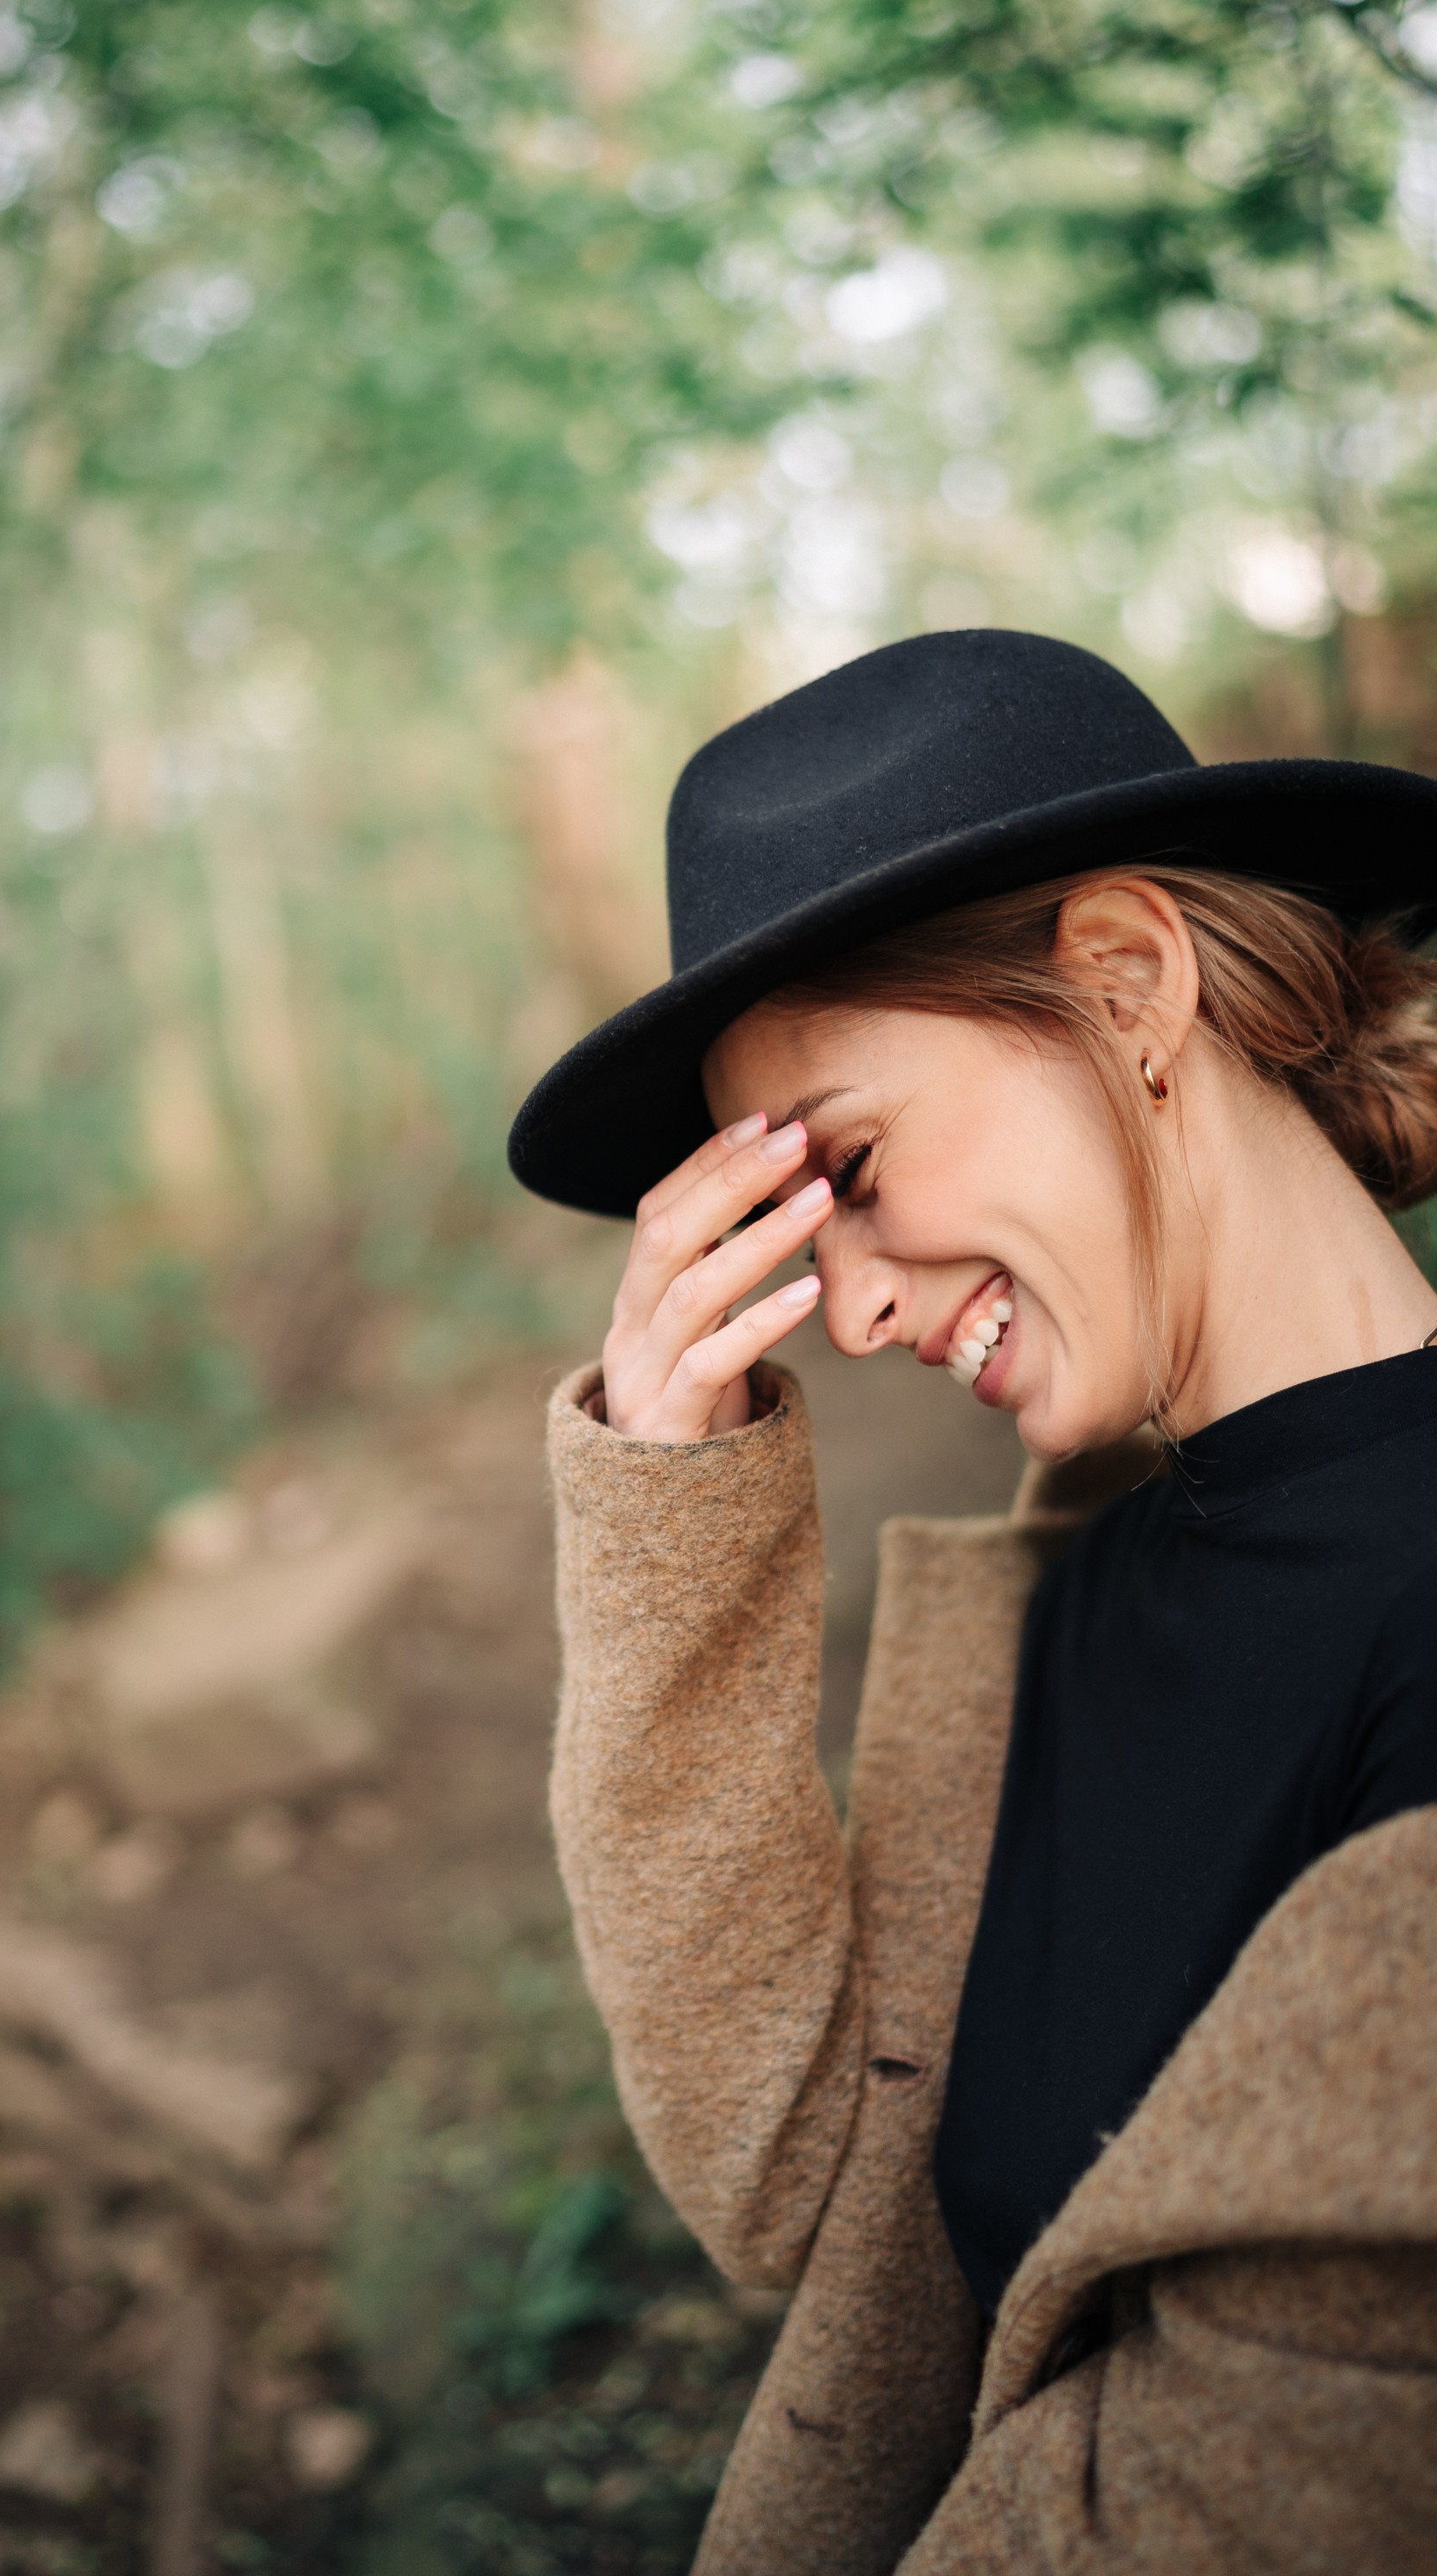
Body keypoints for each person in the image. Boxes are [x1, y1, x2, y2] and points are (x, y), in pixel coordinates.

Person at [507, 630, 1437, 2575]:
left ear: (1129, 984)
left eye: (849, 1165)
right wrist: (668, 1502)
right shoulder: (1078, 1591)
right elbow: (808, 2191)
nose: (844, 1313)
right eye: (789, 1221)